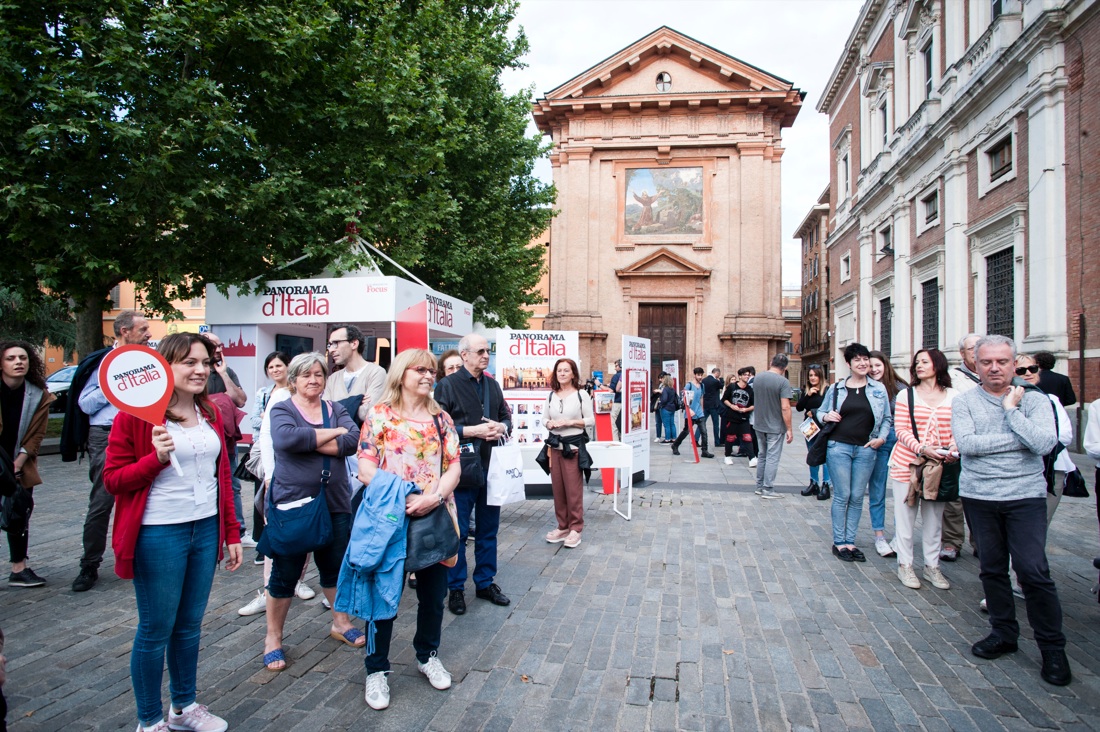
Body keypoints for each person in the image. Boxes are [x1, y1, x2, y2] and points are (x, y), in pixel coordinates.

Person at [102, 333, 243, 732]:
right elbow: (112, 480)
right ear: (164, 367)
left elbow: (223, 478)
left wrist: (231, 532)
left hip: (204, 529)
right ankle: (149, 721)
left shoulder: (211, 413)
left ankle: (184, 707)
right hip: (158, 533)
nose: (200, 370)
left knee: (189, 626)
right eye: (189, 363)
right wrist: (155, 459)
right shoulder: (134, 417)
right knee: (155, 629)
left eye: (205, 362)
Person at [952, 335, 1070, 686]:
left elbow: (1046, 443)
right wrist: (1019, 437)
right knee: (991, 569)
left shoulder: (1033, 399)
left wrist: (1009, 411)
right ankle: (1004, 633)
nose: (994, 368)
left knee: (1033, 570)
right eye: (986, 361)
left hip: (1025, 497)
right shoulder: (965, 402)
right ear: (976, 363)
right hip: (980, 496)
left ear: (1013, 362)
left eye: (1002, 361)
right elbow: (968, 445)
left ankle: (1052, 647)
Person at [355, 348, 462, 710]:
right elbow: (365, 468)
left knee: (433, 597)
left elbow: (454, 467)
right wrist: (403, 496)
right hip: (390, 519)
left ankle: (427, 654)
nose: (429, 375)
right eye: (421, 370)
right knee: (383, 598)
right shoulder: (381, 416)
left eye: (432, 370)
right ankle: (376, 670)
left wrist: (432, 498)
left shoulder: (441, 418)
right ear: (402, 373)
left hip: (434, 516)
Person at [262, 353, 362, 672]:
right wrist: (333, 434)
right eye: (306, 375)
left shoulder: (336, 409)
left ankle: (340, 623)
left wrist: (312, 439)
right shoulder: (282, 409)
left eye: (319, 374)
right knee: (286, 573)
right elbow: (286, 438)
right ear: (293, 380)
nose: (313, 380)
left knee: (333, 566)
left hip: (334, 501)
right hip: (294, 502)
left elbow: (353, 441)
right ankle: (273, 638)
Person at [72, 310, 152, 592]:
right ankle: (89, 564)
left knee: (145, 495)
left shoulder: (148, 361)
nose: (149, 334)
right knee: (102, 500)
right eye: (143, 329)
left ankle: (138, 556)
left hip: (142, 430)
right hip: (106, 434)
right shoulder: (104, 363)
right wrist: (116, 382)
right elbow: (86, 404)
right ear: (124, 331)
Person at [434, 333, 512, 615]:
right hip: (462, 470)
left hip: (491, 468)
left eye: (487, 350)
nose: (485, 355)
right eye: (479, 351)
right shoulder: (446, 386)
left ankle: (485, 582)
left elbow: (506, 417)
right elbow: (438, 429)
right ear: (464, 354)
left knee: (488, 530)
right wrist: (471, 431)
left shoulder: (492, 385)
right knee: (459, 531)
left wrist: (501, 427)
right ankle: (456, 588)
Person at [889, 349, 956, 590]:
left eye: (924, 362)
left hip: (939, 466)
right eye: (916, 362)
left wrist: (953, 448)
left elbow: (958, 428)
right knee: (906, 518)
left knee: (934, 520)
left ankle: (932, 567)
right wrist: (922, 448)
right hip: (907, 464)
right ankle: (905, 565)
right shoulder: (907, 395)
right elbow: (901, 429)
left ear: (938, 365)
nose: (919, 366)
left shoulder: (953, 396)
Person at [820, 343, 891, 560]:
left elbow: (887, 418)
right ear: (849, 363)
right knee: (843, 495)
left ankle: (850, 542)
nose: (863, 363)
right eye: (857, 360)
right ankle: (839, 542)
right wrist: (825, 416)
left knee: (858, 496)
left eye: (865, 359)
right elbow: (820, 412)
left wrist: (881, 438)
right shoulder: (836, 389)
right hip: (838, 447)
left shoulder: (878, 389)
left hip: (866, 449)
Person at [1, 342, 55, 587]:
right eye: (11, 358)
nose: (18, 362)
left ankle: (19, 568)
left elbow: (37, 434)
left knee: (19, 512)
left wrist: (18, 462)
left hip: (20, 462)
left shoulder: (37, 394)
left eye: (22, 357)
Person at [200, 333, 252, 549]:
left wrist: (223, 374)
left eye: (221, 344)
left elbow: (240, 400)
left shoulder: (225, 372)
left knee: (232, 484)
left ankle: (237, 530)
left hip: (225, 438)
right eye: (214, 345)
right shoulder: (196, 372)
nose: (219, 348)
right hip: (202, 437)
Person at [1015, 354, 1074, 529]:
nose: (1028, 373)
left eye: (1032, 369)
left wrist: (1038, 442)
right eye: (1021, 370)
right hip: (1019, 469)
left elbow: (1064, 435)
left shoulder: (1052, 400)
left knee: (1041, 523)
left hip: (1053, 466)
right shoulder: (1007, 400)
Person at [544, 359, 595, 549]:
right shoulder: (551, 395)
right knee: (558, 490)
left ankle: (576, 528)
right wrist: (549, 424)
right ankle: (563, 526)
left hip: (573, 448)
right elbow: (544, 418)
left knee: (573, 490)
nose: (562, 373)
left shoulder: (581, 394)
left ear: (573, 373)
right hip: (555, 447)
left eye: (566, 370)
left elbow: (590, 420)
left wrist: (570, 423)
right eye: (559, 370)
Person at [940, 333, 981, 563]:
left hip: (984, 446)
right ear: (962, 353)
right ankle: (952, 541)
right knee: (953, 497)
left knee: (981, 495)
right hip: (956, 443)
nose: (976, 352)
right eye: (972, 348)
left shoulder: (1000, 377)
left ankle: (981, 541)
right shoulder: (953, 378)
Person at [867, 351, 907, 557]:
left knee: (903, 491)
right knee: (877, 489)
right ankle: (879, 535)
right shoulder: (866, 388)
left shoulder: (901, 389)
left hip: (901, 441)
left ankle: (901, 535)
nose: (874, 369)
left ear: (886, 366)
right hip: (879, 441)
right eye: (870, 366)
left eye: (877, 366)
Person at [752, 354, 794, 498]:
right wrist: (789, 428)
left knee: (762, 455)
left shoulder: (757, 377)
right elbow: (785, 407)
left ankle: (759, 486)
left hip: (759, 423)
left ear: (771, 362)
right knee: (772, 457)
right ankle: (768, 489)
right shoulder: (783, 382)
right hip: (775, 426)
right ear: (785, 367)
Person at [795, 364, 831, 499]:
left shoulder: (827, 390)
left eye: (815, 375)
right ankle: (813, 483)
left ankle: (826, 485)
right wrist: (807, 395)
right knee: (812, 455)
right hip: (810, 427)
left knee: (825, 457)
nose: (813, 378)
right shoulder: (808, 391)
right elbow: (799, 408)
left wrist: (814, 412)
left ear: (821, 376)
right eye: (810, 375)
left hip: (824, 427)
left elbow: (830, 408)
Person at [671, 368, 713, 458]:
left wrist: (702, 409)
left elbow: (701, 398)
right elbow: (684, 399)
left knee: (704, 432)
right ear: (694, 375)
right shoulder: (689, 385)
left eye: (701, 375)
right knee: (686, 431)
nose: (700, 377)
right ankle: (675, 445)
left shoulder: (702, 386)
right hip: (690, 412)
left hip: (699, 413)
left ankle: (704, 450)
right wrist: (688, 410)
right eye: (698, 375)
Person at [721, 370, 754, 465]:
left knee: (747, 437)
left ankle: (752, 458)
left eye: (748, 375)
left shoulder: (750, 389)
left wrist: (746, 409)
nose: (747, 377)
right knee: (730, 437)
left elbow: (753, 404)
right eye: (745, 375)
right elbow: (724, 399)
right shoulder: (732, 386)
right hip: (732, 417)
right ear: (740, 376)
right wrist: (731, 406)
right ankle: (727, 456)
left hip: (744, 417)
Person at [702, 367, 723, 447]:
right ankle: (717, 442)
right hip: (714, 405)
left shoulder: (704, 380)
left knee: (702, 423)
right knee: (716, 425)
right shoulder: (715, 381)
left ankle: (696, 439)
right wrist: (721, 380)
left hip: (706, 404)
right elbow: (721, 386)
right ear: (717, 373)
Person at [657, 375, 678, 444]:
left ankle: (667, 439)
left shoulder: (665, 389)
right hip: (672, 408)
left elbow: (664, 399)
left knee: (666, 425)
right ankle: (674, 438)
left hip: (665, 408)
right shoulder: (672, 389)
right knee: (672, 424)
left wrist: (660, 404)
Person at [609, 359, 623, 441]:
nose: (615, 368)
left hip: (617, 402)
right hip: (626, 403)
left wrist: (599, 385)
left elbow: (612, 390)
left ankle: (616, 441)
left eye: (616, 366)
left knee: (613, 423)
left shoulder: (617, 376)